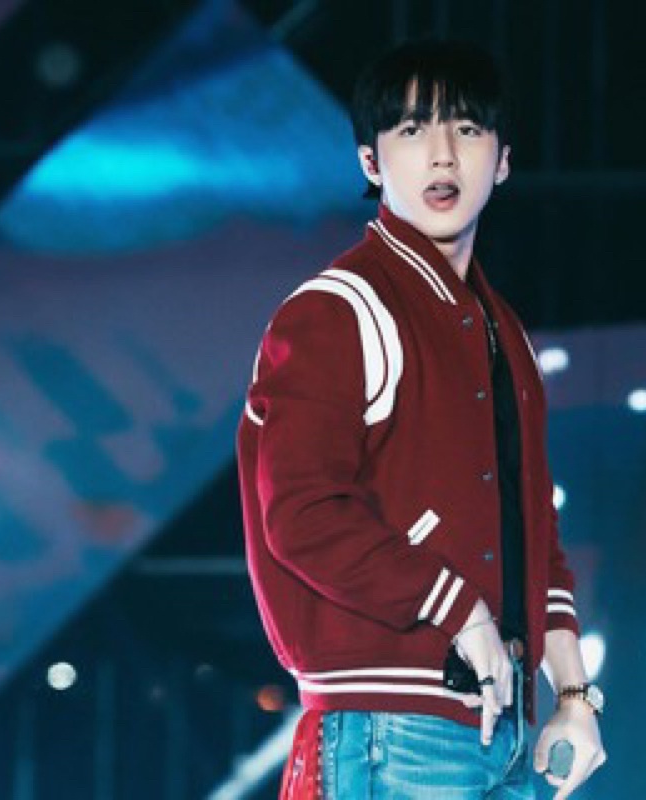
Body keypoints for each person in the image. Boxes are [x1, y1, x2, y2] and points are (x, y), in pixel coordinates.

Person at [236, 38, 606, 799]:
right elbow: (301, 514)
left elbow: (535, 531)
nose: (442, 154)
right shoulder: (338, 309)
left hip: (502, 729)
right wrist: (460, 610)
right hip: (391, 726)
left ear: (503, 161)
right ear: (371, 162)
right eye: (412, 130)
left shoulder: (504, 334)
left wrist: (574, 696)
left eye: (467, 129)